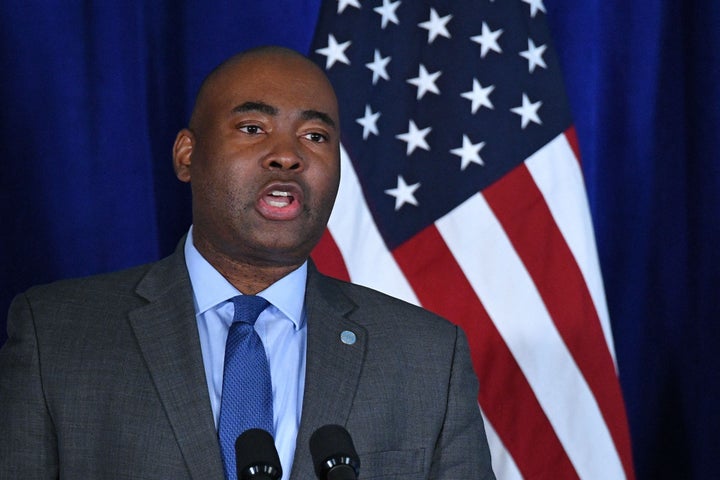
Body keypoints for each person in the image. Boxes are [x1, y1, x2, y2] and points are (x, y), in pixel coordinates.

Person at [0, 46, 495, 479]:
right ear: (187, 155)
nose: (287, 156)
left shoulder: (428, 358)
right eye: (253, 128)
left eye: (315, 136)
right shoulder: (58, 336)